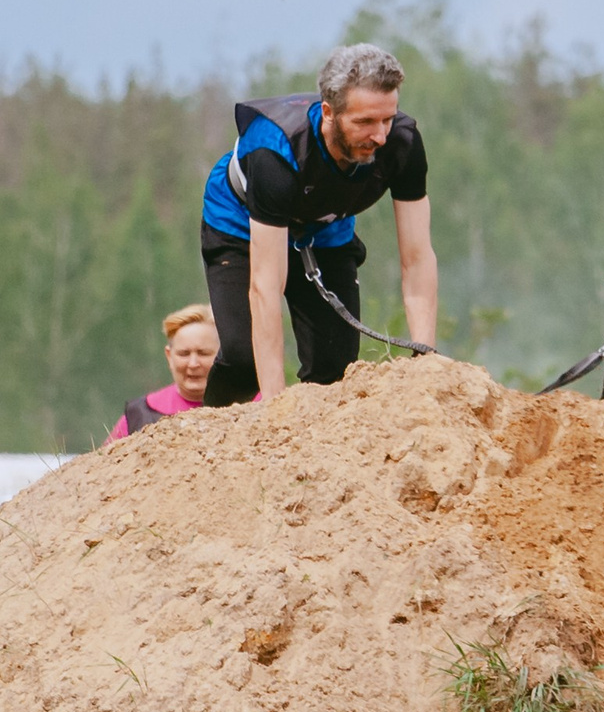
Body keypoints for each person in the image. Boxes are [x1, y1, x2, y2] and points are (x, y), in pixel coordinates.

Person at [198, 43, 438, 406]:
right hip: (242, 224)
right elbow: (266, 287)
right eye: (365, 123)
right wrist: (276, 409)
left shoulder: (402, 144)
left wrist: (425, 360)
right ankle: (206, 440)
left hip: (324, 230)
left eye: (387, 119)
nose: (380, 136)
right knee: (244, 360)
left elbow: (417, 258)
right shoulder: (274, 152)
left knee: (335, 369)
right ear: (328, 112)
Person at [107, 303, 221, 442]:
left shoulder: (250, 406)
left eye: (203, 353)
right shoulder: (139, 414)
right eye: (184, 354)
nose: (193, 364)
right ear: (169, 356)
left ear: (221, 355)